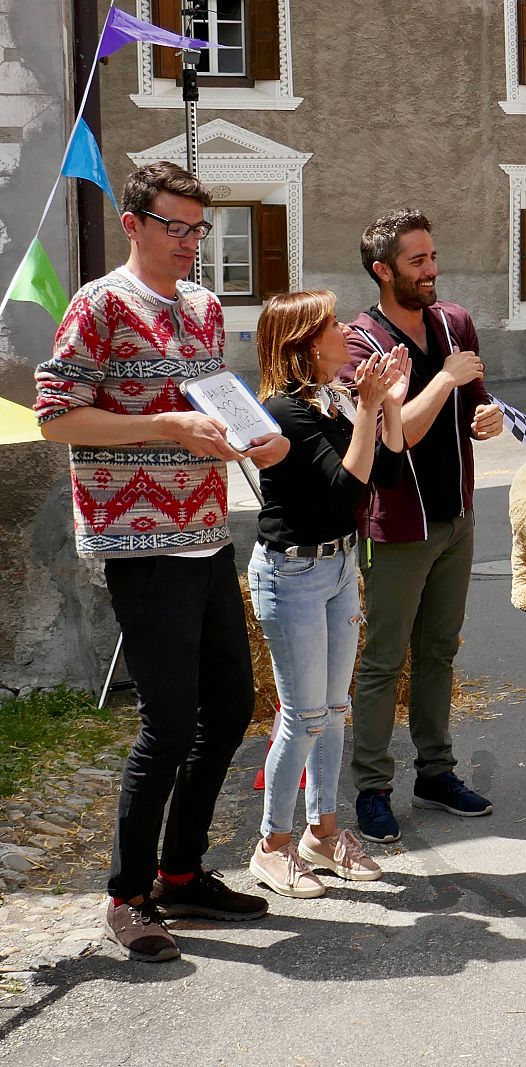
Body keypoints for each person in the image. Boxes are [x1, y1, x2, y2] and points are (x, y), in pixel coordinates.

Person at [34, 161, 286, 961]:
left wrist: (255, 435)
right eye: (174, 226)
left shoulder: (204, 306)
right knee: (169, 725)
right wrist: (165, 427)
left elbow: (212, 398)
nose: (189, 241)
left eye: (197, 228)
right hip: (139, 544)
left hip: (208, 531)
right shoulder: (99, 304)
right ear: (133, 224)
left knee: (231, 708)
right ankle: (127, 893)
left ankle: (181, 874)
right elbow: (56, 416)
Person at [343, 210, 504, 844]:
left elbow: (476, 402)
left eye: (432, 256)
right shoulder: (360, 344)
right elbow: (400, 433)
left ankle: (436, 772)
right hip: (397, 525)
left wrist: (487, 418)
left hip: (457, 515)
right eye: (417, 261)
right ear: (383, 271)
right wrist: (444, 379)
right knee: (385, 660)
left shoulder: (454, 322)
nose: (431, 269)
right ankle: (372, 786)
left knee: (439, 651)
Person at [245, 291, 408, 897]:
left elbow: (388, 475)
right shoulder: (283, 412)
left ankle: (324, 832)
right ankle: (272, 845)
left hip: (339, 566)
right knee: (303, 716)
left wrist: (389, 408)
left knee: (334, 711)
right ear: (308, 344)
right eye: (333, 323)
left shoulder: (332, 399)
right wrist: (368, 409)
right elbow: (345, 489)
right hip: (291, 574)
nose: (345, 330)